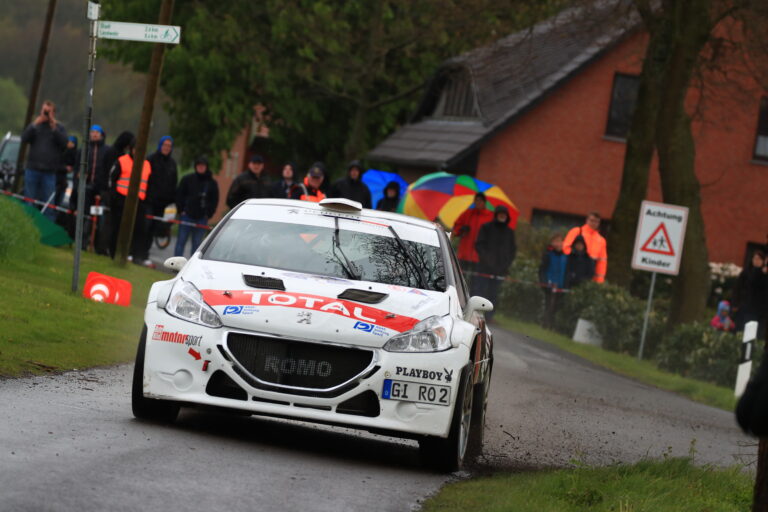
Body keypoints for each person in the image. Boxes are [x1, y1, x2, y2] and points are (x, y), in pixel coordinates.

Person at [108, 133, 152, 263]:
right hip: (121, 200)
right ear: (131, 149)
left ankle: (134, 256)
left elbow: (149, 184)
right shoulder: (122, 160)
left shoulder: (147, 164)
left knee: (139, 230)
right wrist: (114, 199)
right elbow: (112, 180)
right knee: (117, 228)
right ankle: (113, 253)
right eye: (135, 149)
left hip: (139, 202)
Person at [20, 100, 68, 220]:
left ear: (53, 113)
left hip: (49, 172)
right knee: (29, 201)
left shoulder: (59, 128)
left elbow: (64, 144)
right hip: (32, 169)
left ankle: (46, 228)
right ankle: (27, 224)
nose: (45, 114)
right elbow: (24, 138)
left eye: (48, 111)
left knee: (48, 204)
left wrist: (54, 127)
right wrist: (34, 124)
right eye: (44, 111)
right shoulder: (36, 126)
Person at [474, 205, 516, 321]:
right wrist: (487, 260)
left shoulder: (509, 232)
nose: (502, 216)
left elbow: (512, 251)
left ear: (507, 216)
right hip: (484, 268)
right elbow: (479, 245)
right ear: (496, 215)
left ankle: (489, 316)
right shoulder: (486, 228)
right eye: (500, 214)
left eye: (504, 214)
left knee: (494, 293)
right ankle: (476, 313)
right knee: (480, 290)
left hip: (500, 270)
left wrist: (505, 265)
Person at [70, 125, 110, 248]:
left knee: (99, 218)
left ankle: (97, 244)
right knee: (83, 215)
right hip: (85, 189)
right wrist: (77, 187)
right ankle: (81, 241)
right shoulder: (83, 150)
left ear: (102, 134)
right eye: (92, 132)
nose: (94, 134)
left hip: (100, 191)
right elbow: (76, 170)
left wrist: (103, 190)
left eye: (97, 132)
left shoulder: (107, 151)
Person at [175, 156, 219, 257]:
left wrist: (209, 213)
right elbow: (179, 194)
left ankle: (192, 267)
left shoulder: (212, 183)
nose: (200, 168)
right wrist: (181, 210)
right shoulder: (187, 179)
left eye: (203, 166)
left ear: (206, 167)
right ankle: (175, 265)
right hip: (186, 215)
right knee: (180, 242)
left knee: (197, 245)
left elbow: (214, 200)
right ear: (195, 166)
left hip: (202, 218)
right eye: (199, 165)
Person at [144, 135, 178, 259]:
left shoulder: (172, 164)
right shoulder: (150, 159)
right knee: (144, 227)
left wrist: (172, 202)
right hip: (149, 201)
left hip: (163, 204)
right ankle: (136, 252)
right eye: (165, 145)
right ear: (160, 145)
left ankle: (145, 254)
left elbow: (174, 183)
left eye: (169, 146)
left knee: (154, 230)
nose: (167, 148)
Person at [453, 193, 494, 275]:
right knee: (460, 277)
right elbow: (457, 226)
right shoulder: (467, 213)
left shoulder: (490, 216)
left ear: (484, 202)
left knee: (475, 282)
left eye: (480, 200)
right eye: (476, 200)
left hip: (479, 256)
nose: (478, 202)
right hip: (464, 253)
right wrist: (461, 230)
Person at [563, 212, 607, 283]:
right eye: (592, 220)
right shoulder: (577, 231)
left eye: (596, 221)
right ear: (587, 220)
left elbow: (602, 262)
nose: (594, 223)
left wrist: (599, 281)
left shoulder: (601, 240)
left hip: (589, 271)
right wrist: (575, 255)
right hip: (575, 266)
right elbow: (565, 247)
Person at [733, 249, 768, 337]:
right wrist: (735, 303)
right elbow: (738, 288)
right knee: (743, 330)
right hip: (746, 306)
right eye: (755, 259)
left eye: (759, 259)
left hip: (761, 309)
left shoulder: (764, 274)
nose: (756, 261)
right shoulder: (747, 272)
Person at [539, 233, 568, 328]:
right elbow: (542, 269)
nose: (558, 243)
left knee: (556, 307)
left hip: (560, 286)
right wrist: (544, 282)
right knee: (548, 305)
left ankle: (552, 325)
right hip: (549, 284)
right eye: (555, 241)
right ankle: (545, 324)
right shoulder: (548, 255)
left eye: (560, 241)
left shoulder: (565, 257)